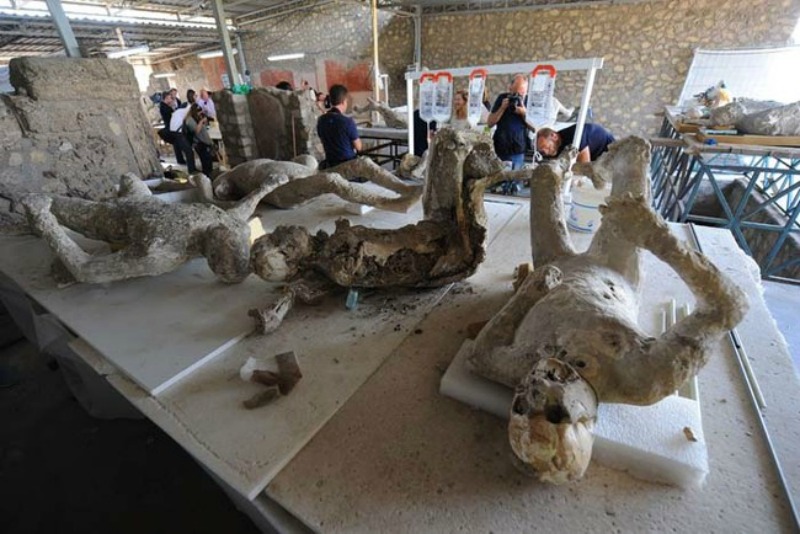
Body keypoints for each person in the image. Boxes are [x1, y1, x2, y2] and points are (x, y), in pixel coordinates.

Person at [487, 74, 535, 194]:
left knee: (514, 184)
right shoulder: (502, 99)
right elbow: (490, 123)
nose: (518, 97)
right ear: (510, 89)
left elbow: (535, 128)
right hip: (500, 147)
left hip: (518, 149)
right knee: (498, 182)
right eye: (515, 94)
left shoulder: (529, 101)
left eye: (521, 94)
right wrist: (502, 108)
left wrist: (524, 113)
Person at [317, 84, 361, 168]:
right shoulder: (347, 122)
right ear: (344, 101)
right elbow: (358, 147)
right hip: (348, 165)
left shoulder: (321, 120)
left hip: (330, 164)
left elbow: (322, 139)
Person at [536, 123, 615, 163]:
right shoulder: (556, 147)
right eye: (542, 151)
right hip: (598, 158)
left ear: (554, 136)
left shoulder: (574, 135)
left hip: (610, 149)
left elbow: (584, 165)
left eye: (546, 146)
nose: (545, 152)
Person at [158, 91, 195, 170]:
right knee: (187, 150)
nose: (171, 99)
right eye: (169, 98)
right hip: (173, 130)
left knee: (180, 146)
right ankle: (191, 169)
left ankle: (183, 162)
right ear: (166, 98)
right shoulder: (163, 107)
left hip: (175, 129)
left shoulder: (166, 105)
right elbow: (171, 115)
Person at [184, 103, 215, 177]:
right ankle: (207, 178)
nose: (200, 113)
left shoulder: (197, 117)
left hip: (206, 142)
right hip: (200, 144)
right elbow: (196, 131)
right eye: (199, 112)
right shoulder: (190, 120)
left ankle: (210, 176)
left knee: (209, 162)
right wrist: (201, 122)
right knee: (205, 163)